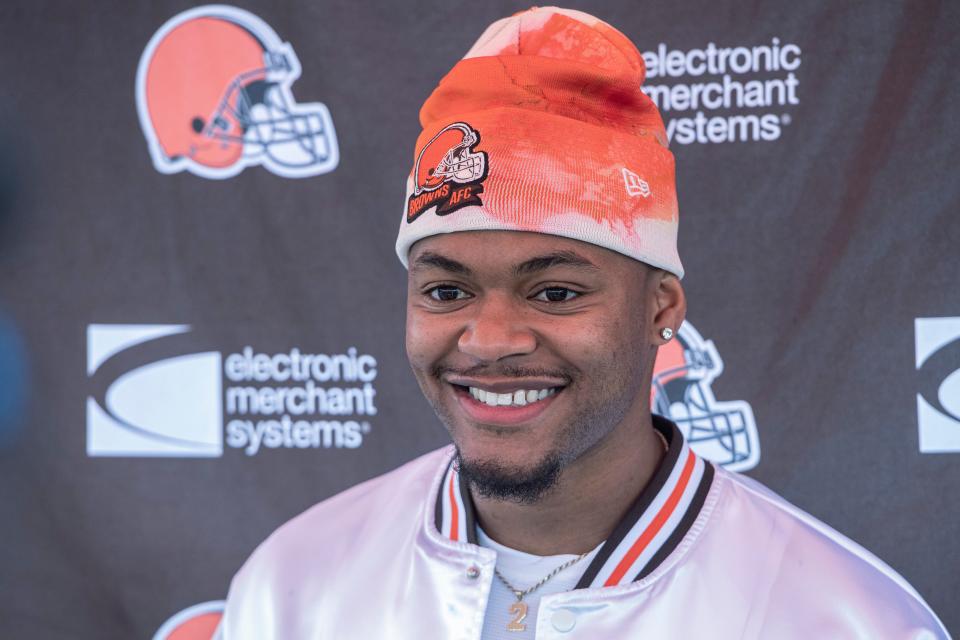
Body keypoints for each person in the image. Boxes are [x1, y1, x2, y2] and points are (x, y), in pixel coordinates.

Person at [222, 7, 949, 638]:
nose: (491, 339)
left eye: (557, 293)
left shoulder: (845, 619)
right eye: (446, 291)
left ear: (660, 308)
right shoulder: (294, 586)